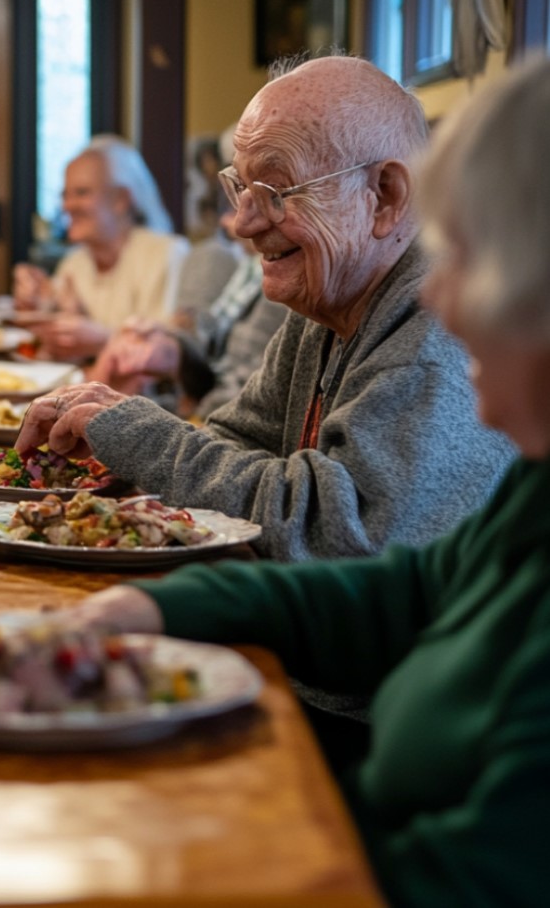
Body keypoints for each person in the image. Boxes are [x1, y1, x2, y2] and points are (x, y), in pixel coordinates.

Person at [59, 56, 550, 908]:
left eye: (462, 256)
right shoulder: (535, 491)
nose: (440, 298)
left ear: (387, 200)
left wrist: (208, 847)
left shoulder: (420, 331)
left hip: (337, 764)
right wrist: (165, 607)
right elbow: (410, 586)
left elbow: (344, 532)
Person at [16, 56, 516, 562]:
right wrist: (120, 440)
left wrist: (144, 440)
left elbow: (340, 536)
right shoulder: (325, 304)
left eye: (275, 192)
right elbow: (238, 441)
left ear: (384, 196)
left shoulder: (441, 333)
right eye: (241, 188)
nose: (243, 224)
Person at [89, 208, 286, 418]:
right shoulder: (243, 266)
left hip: (218, 414)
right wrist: (170, 348)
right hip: (200, 397)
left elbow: (241, 399)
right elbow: (205, 342)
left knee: (210, 255)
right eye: (232, 206)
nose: (229, 222)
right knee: (207, 254)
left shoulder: (278, 285)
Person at [12, 135, 190, 363]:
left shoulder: (167, 254)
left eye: (82, 193)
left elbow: (171, 352)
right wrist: (36, 303)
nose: (67, 206)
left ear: (121, 200)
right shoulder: (75, 261)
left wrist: (103, 339)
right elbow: (49, 337)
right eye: (65, 195)